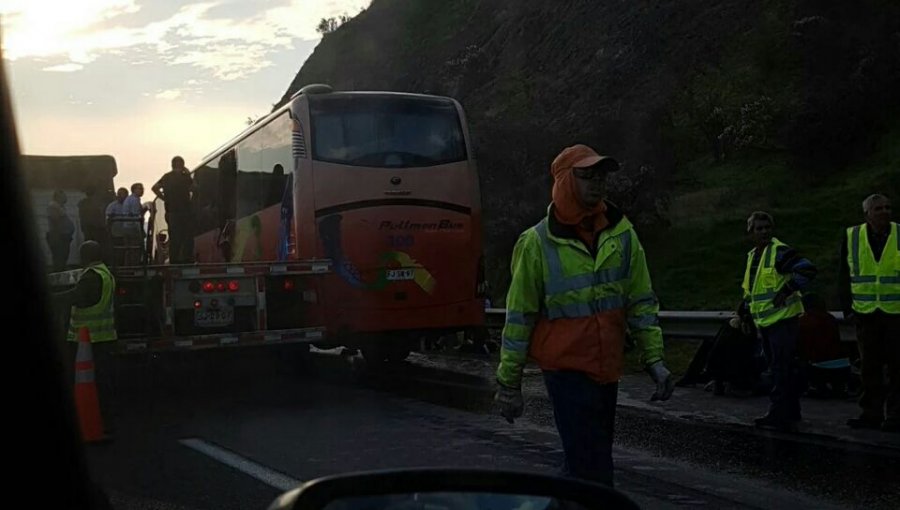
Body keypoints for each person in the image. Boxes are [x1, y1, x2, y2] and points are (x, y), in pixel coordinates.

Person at [494, 144, 673, 487]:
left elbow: (640, 301)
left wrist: (655, 359)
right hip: (566, 373)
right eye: (586, 175)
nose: (598, 183)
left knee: (589, 466)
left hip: (607, 370)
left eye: (601, 175)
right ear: (564, 181)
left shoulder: (622, 234)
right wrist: (508, 383)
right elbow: (519, 319)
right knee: (591, 470)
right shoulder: (536, 243)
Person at [740, 211, 817, 431]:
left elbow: (807, 269)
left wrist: (788, 289)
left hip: (782, 320)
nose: (764, 232)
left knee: (780, 368)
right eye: (759, 228)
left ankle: (779, 412)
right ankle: (791, 411)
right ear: (751, 233)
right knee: (782, 367)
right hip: (766, 321)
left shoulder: (779, 251)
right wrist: (745, 312)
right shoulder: (753, 256)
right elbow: (751, 290)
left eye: (767, 227)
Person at [839, 194, 899, 432]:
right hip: (866, 314)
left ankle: (895, 416)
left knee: (898, 368)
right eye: (878, 209)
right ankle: (871, 413)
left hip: (895, 313)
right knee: (869, 368)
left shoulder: (899, 234)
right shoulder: (853, 236)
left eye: (888, 207)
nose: (885, 212)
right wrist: (847, 308)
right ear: (867, 214)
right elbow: (844, 274)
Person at [57, 240, 117, 439]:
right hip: (104, 335)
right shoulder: (105, 273)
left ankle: (95, 421)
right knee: (103, 382)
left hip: (88, 339)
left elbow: (78, 297)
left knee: (89, 383)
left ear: (85, 257)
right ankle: (103, 421)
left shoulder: (91, 276)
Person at [152, 156, 195, 263]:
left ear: (172, 165)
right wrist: (188, 174)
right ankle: (186, 259)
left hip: (171, 212)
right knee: (187, 236)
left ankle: (174, 260)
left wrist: (164, 198)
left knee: (174, 237)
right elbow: (195, 188)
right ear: (182, 164)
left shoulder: (166, 177)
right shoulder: (185, 177)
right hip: (185, 211)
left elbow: (154, 187)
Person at [46, 189, 75, 271]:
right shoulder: (53, 206)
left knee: (63, 258)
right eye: (63, 196)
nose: (65, 198)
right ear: (58, 197)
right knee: (59, 259)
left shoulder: (60, 207)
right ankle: (59, 277)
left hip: (64, 237)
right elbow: (55, 219)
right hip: (58, 237)